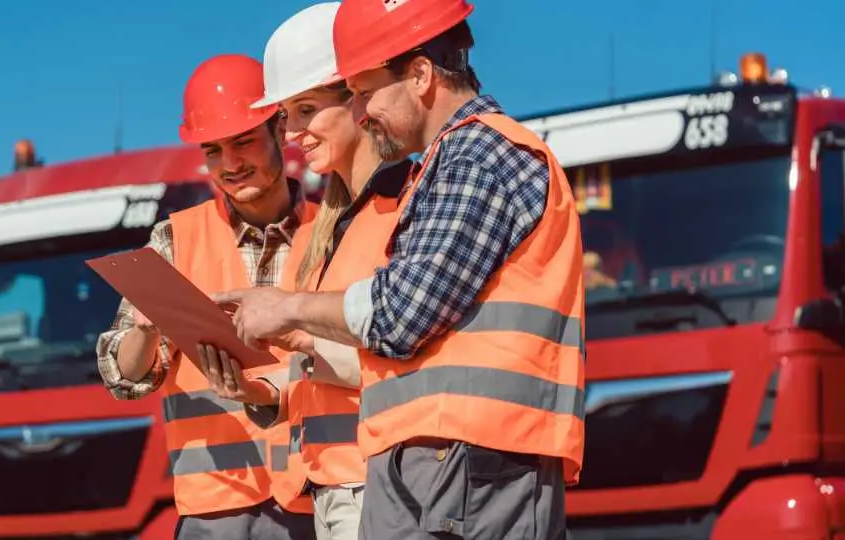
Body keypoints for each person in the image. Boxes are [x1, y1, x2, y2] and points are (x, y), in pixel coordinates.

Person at [212, 1, 587, 539]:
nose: (361, 111)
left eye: (365, 92)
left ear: (419, 74)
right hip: (440, 463)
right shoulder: (446, 165)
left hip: (472, 462)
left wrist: (288, 310)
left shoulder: (480, 157)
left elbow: (400, 313)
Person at [203, 4, 412, 539]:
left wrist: (298, 330)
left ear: (359, 98)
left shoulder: (403, 206)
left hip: (386, 487)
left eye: (304, 109)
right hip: (336, 489)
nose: (291, 131)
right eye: (286, 115)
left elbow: (406, 354)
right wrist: (268, 390)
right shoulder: (335, 224)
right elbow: (343, 357)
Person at [94, 53, 317, 540]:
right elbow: (125, 377)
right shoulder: (175, 239)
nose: (231, 164)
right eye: (213, 150)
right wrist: (146, 330)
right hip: (217, 510)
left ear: (280, 129)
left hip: (321, 497)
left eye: (243, 142)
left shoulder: (335, 229)